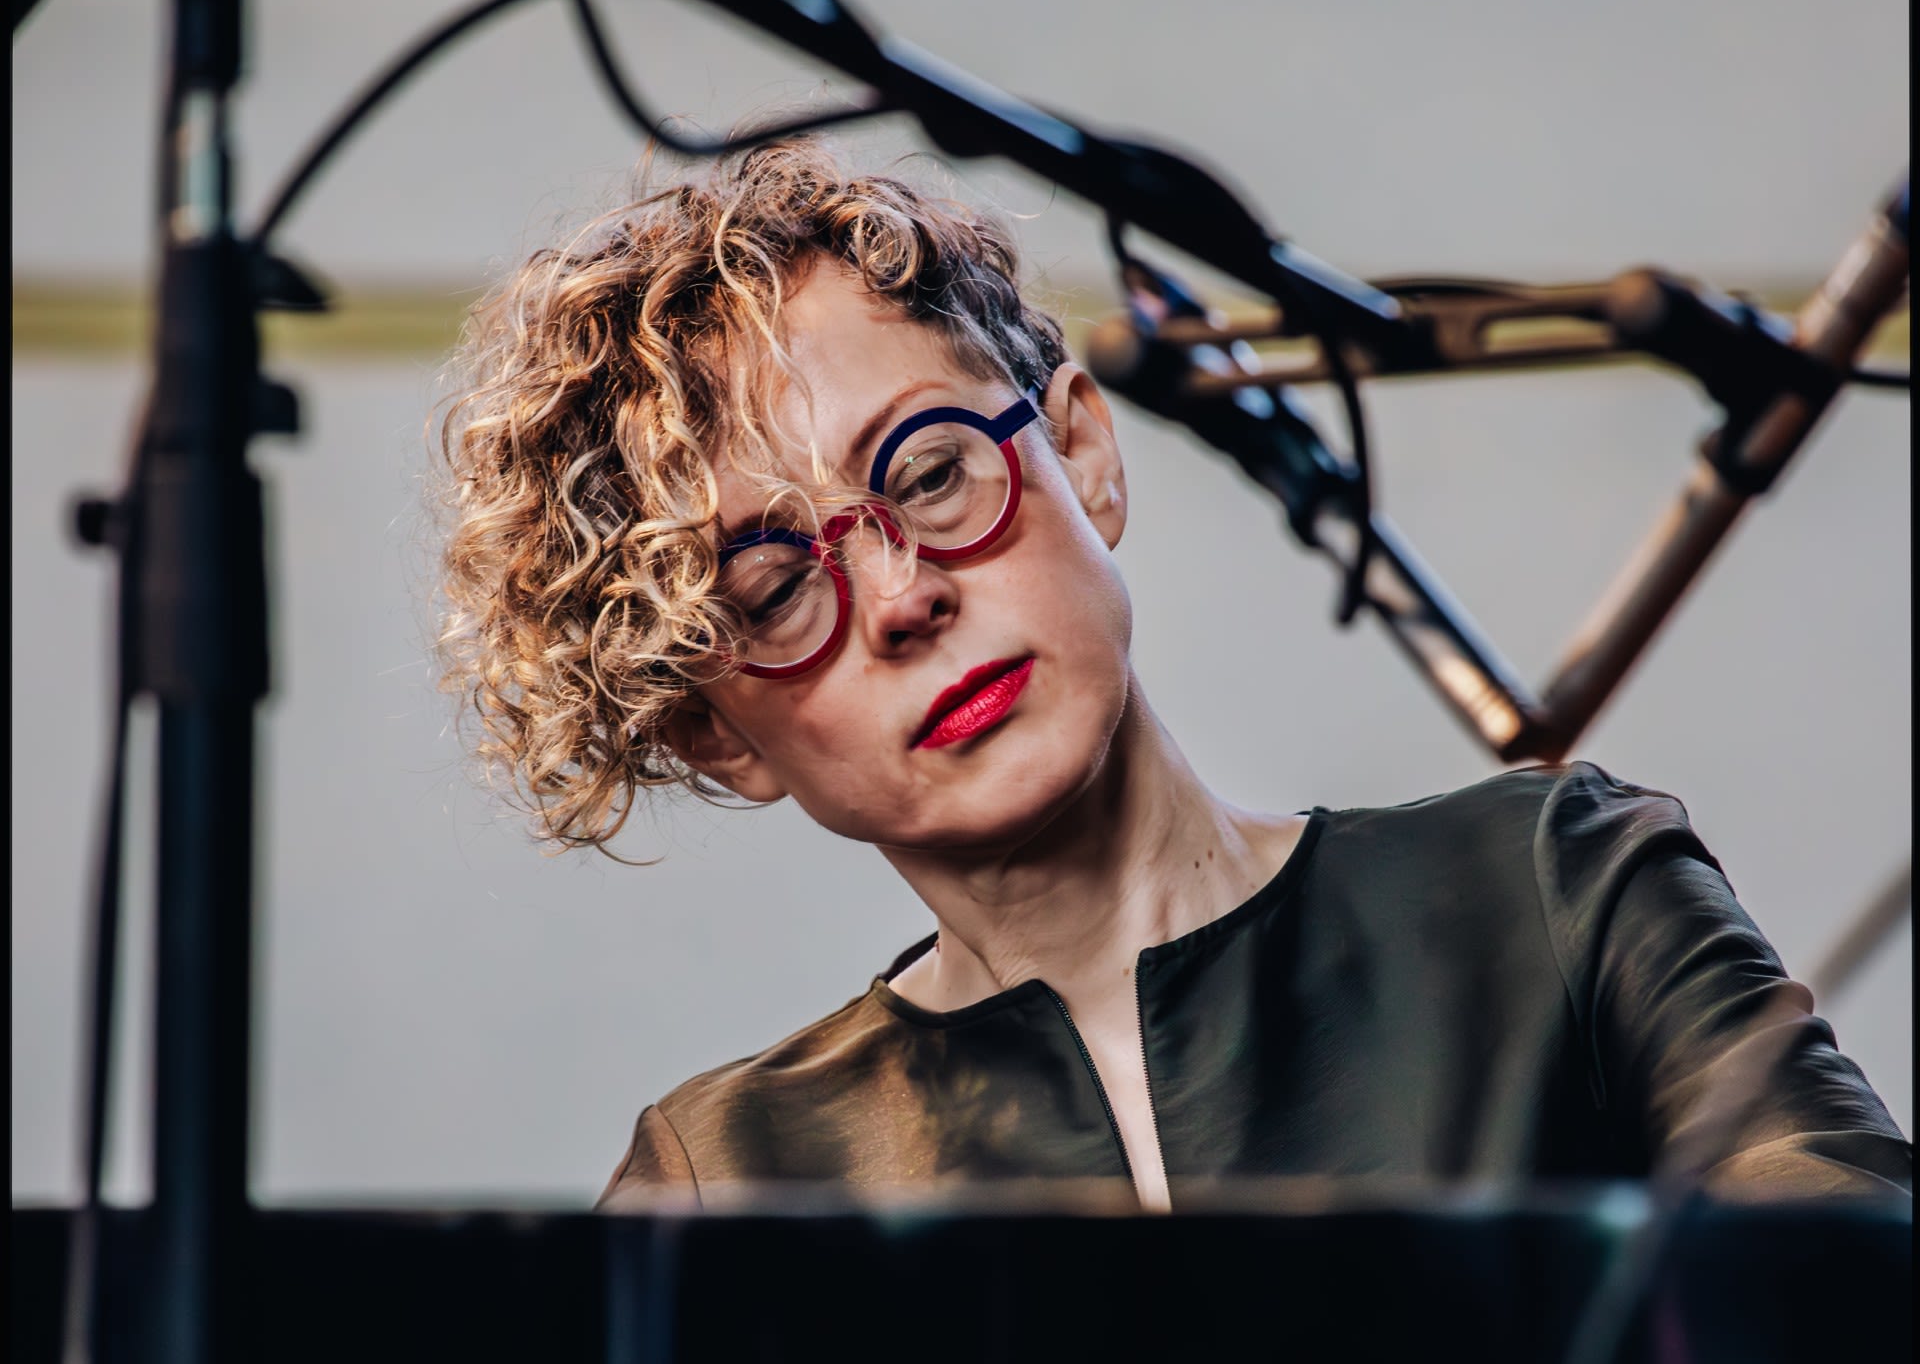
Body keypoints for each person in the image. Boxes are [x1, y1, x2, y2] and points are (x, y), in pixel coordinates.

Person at [432, 139, 1909, 1213]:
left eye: (933, 473)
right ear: (714, 731)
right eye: (772, 587)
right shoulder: (731, 1182)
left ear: (1081, 448)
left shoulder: (1567, 891)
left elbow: (1851, 1330)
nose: (899, 593)